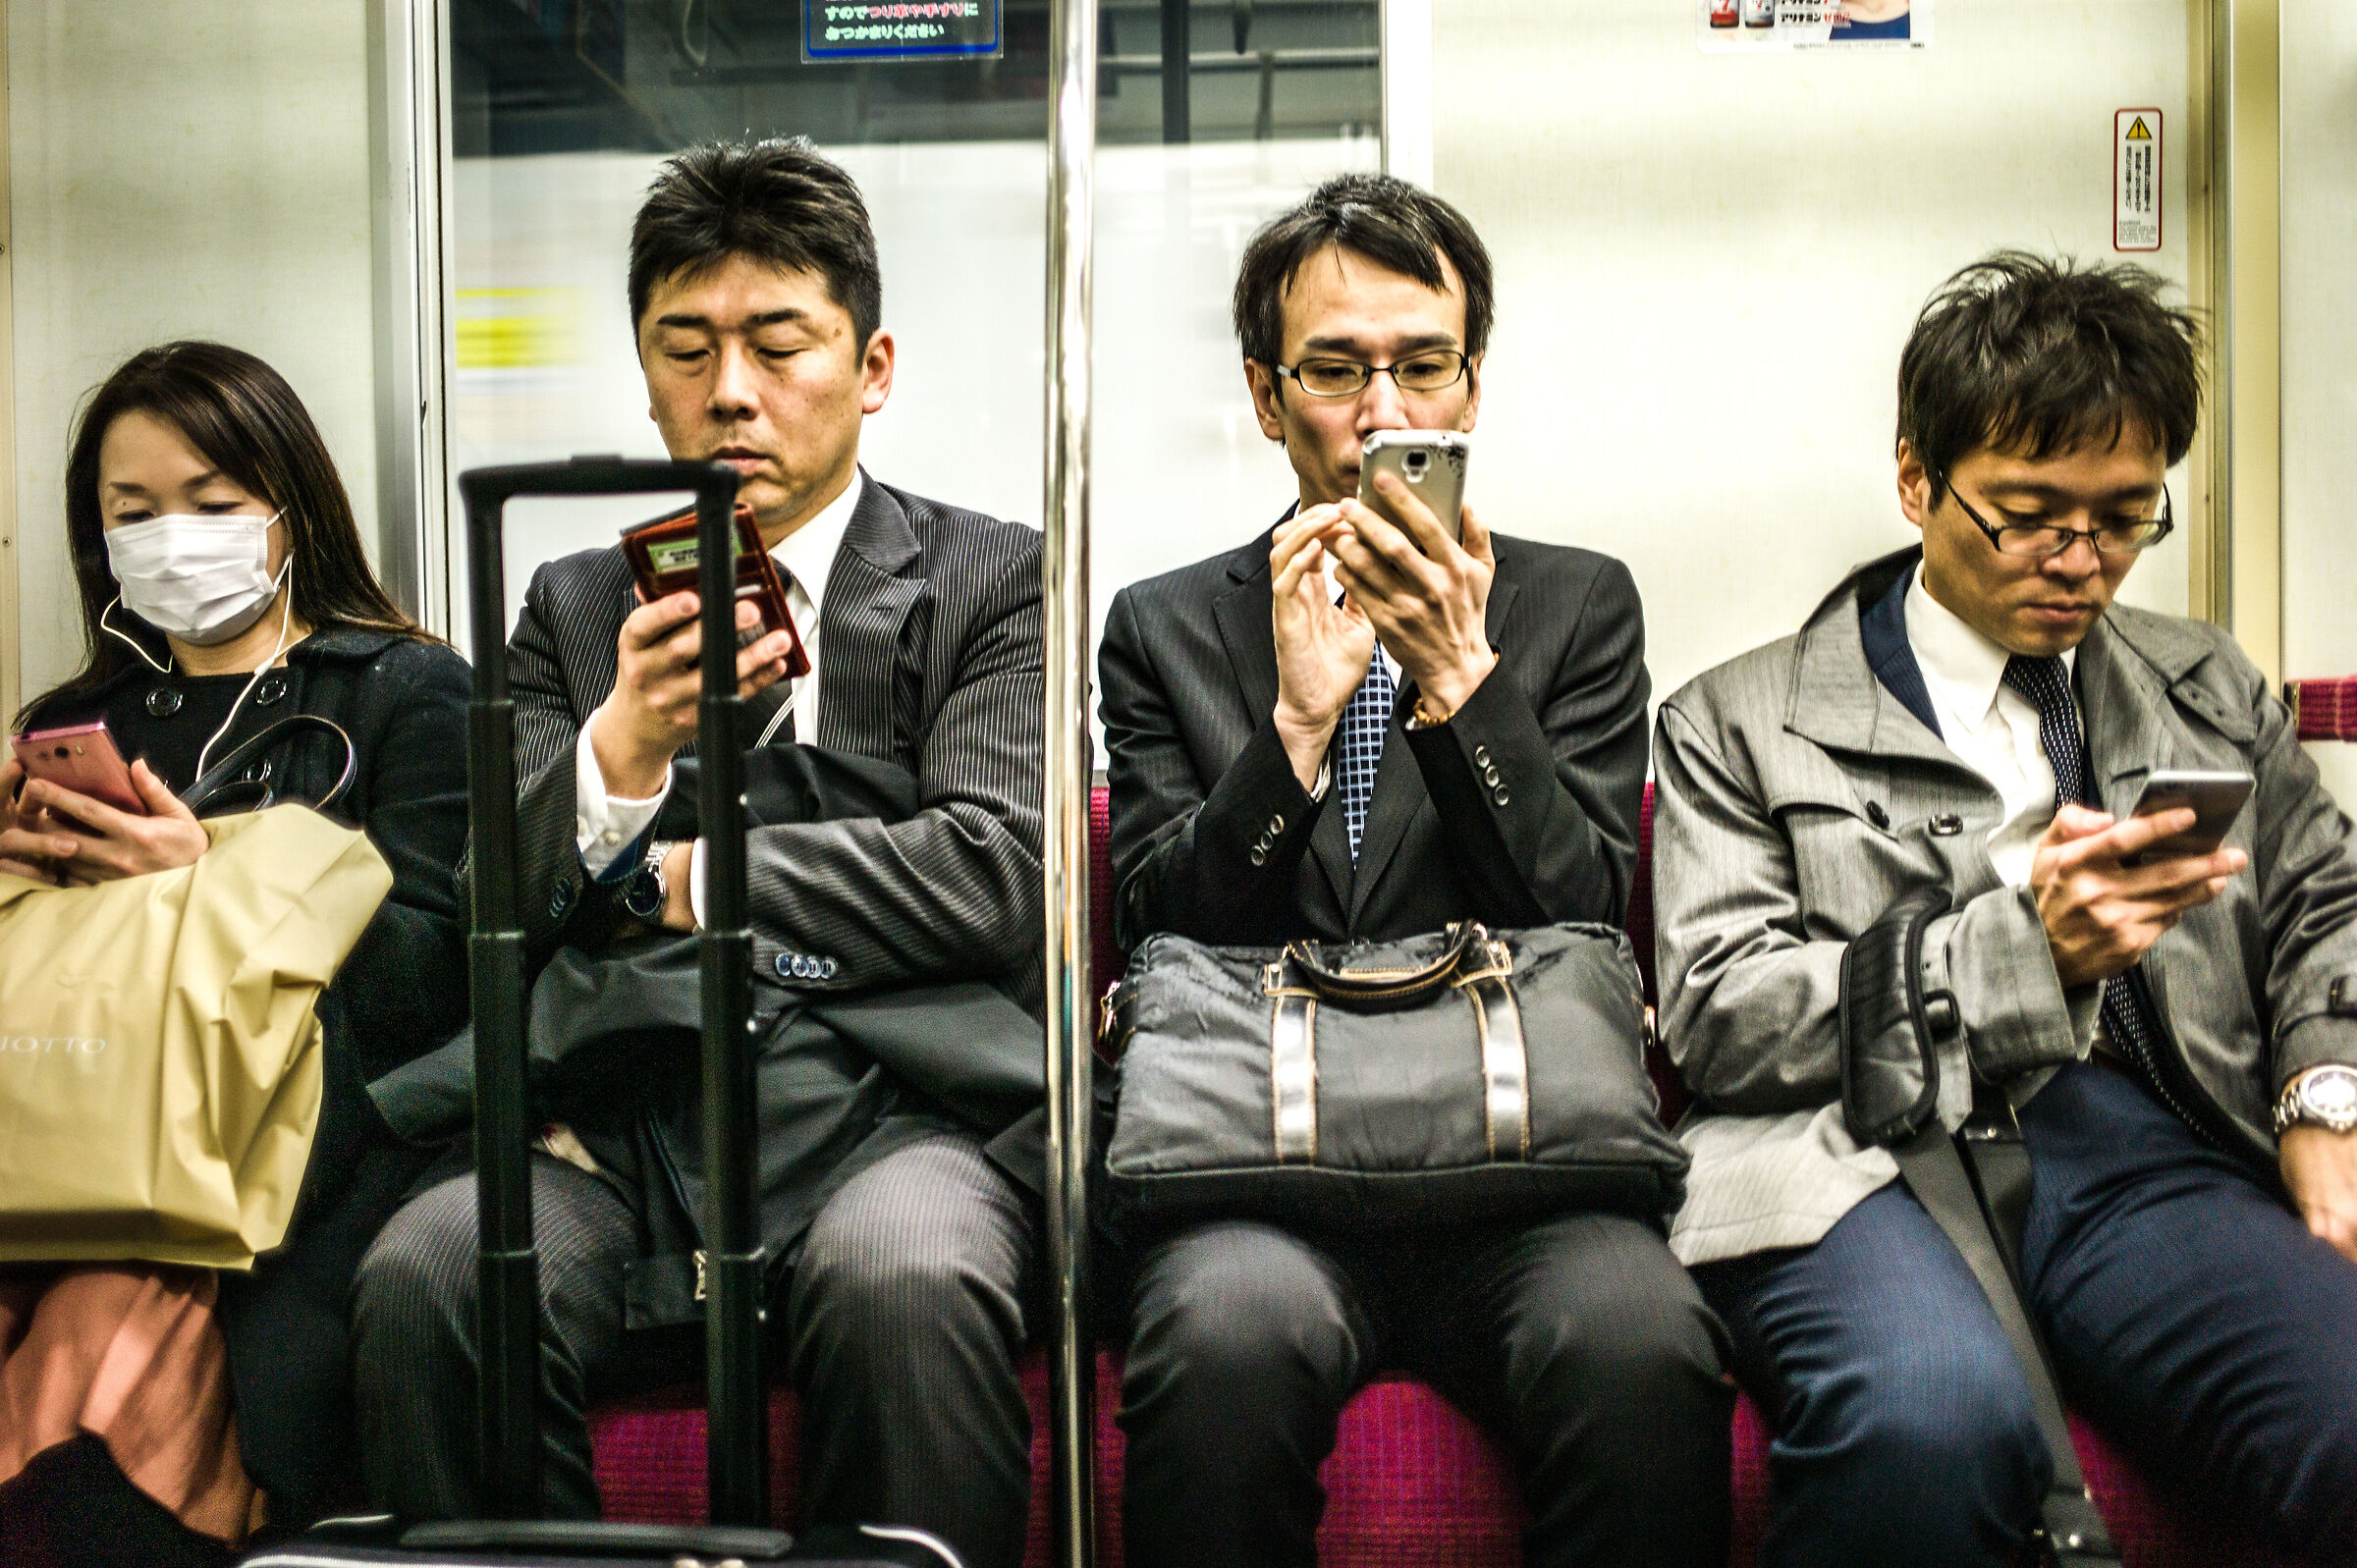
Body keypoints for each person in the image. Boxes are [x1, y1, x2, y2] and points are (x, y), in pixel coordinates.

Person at [351, 137, 1047, 1568]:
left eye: (778, 346)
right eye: (687, 351)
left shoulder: (990, 579)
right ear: (648, 375)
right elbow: (494, 907)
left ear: (871, 366)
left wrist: (676, 878)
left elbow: (991, 871)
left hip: (896, 1106)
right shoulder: (575, 604)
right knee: (432, 1272)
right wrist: (624, 749)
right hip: (626, 1116)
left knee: (906, 1274)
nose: (731, 390)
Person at [1653, 253, 2357, 1566]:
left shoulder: (2205, 683)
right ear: (1916, 479)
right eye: (2028, 516)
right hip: (1848, 1156)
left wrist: (2327, 1093)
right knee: (1928, 1426)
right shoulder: (1735, 720)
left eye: (2124, 519)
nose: (2079, 564)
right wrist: (2023, 950)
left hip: (2146, 1151)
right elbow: (1721, 1013)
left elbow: (2328, 898)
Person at [1097, 173, 1732, 1568]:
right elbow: (1158, 929)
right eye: (1335, 370)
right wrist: (1295, 728)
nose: (1384, 413)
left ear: (1472, 386)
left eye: (1422, 366)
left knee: (1644, 1348)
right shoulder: (1164, 627)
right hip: (1257, 1177)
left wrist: (1458, 674)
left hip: (1526, 1175)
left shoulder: (1576, 604)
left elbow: (1584, 907)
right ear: (1268, 398)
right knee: (1217, 1349)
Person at [0, 341, 471, 1564]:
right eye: (133, 513)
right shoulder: (73, 726)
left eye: (211, 506)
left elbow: (435, 977)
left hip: (299, 1164)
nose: (173, 538)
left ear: (291, 509)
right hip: (69, 1144)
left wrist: (209, 879)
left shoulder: (408, 693)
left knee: (103, 1346)